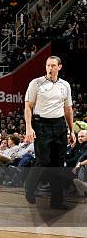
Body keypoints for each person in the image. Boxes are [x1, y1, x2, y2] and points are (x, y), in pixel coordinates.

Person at [24, 56, 74, 209]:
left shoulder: (65, 85)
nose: (50, 68)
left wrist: (71, 130)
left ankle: (57, 201)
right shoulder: (36, 83)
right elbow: (28, 106)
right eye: (47, 65)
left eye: (53, 65)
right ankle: (29, 188)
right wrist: (28, 127)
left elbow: (68, 109)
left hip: (59, 125)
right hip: (41, 124)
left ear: (59, 67)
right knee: (43, 160)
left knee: (58, 164)